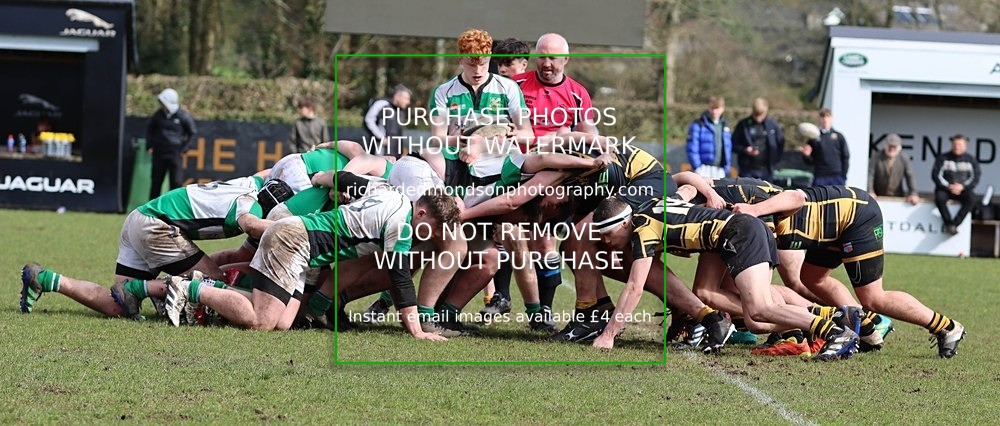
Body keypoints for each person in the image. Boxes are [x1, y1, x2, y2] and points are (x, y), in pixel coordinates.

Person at [734, 186, 967, 358]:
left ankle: (947, 327)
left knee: (874, 297)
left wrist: (753, 210)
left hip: (857, 216)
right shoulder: (744, 225)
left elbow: (795, 196)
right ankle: (866, 330)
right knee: (811, 278)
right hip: (831, 229)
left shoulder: (752, 210)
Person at [146, 88, 196, 199]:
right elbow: (150, 129)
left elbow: (192, 132)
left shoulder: (183, 116)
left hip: (175, 154)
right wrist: (149, 145)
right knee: (156, 182)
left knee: (176, 183)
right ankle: (152, 211)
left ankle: (174, 212)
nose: (162, 105)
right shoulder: (158, 115)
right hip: (158, 153)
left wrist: (184, 148)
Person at [932, 134, 981, 234]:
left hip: (963, 190)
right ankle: (948, 222)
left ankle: (954, 224)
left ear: (965, 146)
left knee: (972, 199)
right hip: (945, 189)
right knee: (939, 198)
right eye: (954, 144)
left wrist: (962, 187)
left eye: (959, 144)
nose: (956, 147)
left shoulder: (970, 160)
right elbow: (936, 175)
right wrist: (948, 186)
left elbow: (975, 177)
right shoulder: (943, 158)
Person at [732, 98, 784, 182]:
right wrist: (745, 150)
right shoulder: (743, 125)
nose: (758, 118)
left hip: (766, 171)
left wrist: (774, 162)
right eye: (756, 114)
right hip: (747, 171)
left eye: (761, 114)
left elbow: (780, 144)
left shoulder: (773, 125)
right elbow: (733, 144)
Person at [686, 96, 732, 178]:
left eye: (717, 108)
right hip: (703, 168)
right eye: (712, 108)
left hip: (719, 169)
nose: (714, 111)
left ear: (722, 108)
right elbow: (692, 147)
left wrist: (726, 166)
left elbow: (728, 147)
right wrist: (697, 166)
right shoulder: (698, 124)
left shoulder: (725, 126)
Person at [800, 108, 848, 186]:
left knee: (838, 198)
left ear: (832, 118)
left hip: (837, 177)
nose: (825, 119)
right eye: (822, 116)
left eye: (827, 116)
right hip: (820, 176)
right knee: (818, 198)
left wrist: (843, 176)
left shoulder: (839, 136)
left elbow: (845, 157)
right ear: (820, 119)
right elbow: (809, 161)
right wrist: (806, 156)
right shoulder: (813, 138)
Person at [868, 133, 920, 205]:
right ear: (885, 145)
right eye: (890, 146)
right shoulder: (876, 157)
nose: (891, 149)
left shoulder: (904, 158)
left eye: (894, 146)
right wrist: (870, 192)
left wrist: (913, 193)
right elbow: (870, 175)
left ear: (899, 148)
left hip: (897, 196)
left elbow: (910, 176)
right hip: (878, 196)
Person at [362, 85, 411, 158]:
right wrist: (381, 138)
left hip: (395, 153)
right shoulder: (382, 104)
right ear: (397, 96)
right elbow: (368, 120)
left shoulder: (401, 110)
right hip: (381, 151)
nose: (408, 102)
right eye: (406, 98)